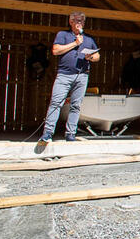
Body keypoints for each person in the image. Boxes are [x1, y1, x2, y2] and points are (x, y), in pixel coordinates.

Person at [38, 12, 100, 143]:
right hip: (64, 75)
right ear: (71, 22)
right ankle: (48, 133)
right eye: (77, 20)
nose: (80, 23)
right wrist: (75, 43)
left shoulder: (89, 39)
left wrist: (91, 57)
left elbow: (97, 56)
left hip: (82, 76)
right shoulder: (63, 35)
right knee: (55, 103)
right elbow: (55, 51)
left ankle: (71, 134)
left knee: (76, 105)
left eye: (82, 21)